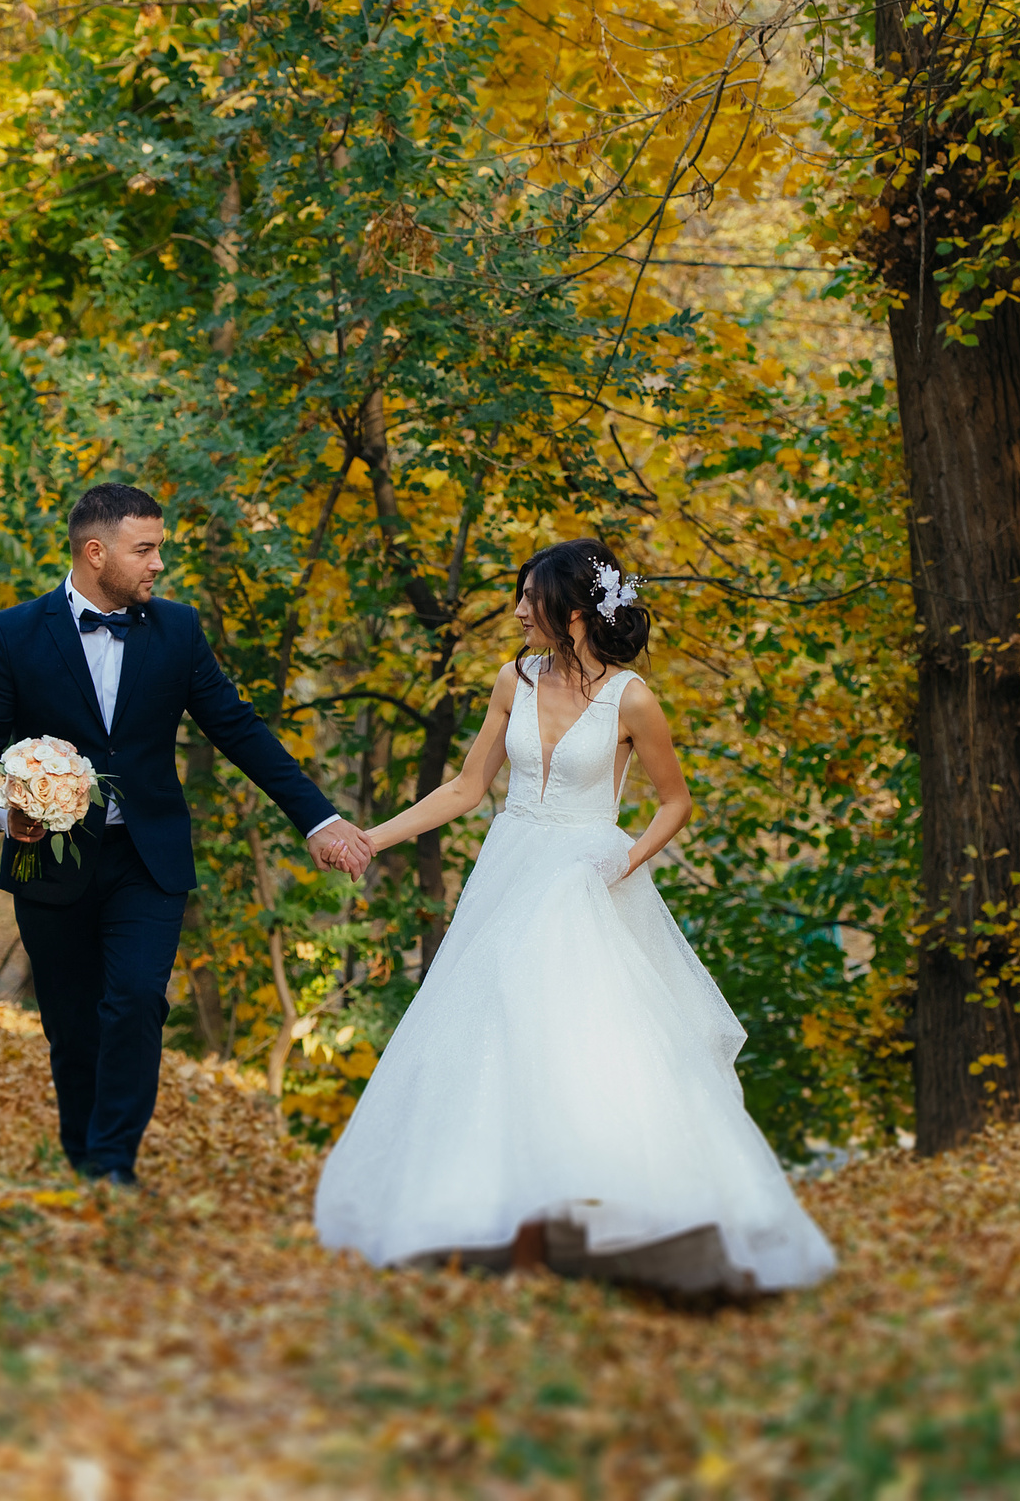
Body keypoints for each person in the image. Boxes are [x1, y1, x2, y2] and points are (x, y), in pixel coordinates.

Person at [314, 538, 836, 1294]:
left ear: (577, 613)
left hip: (590, 878)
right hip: (512, 868)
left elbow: (674, 801)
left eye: (531, 598)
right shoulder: (511, 679)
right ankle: (515, 1242)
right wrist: (369, 837)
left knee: (591, 1046)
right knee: (495, 1033)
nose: (519, 610)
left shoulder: (633, 698)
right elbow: (466, 788)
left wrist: (624, 860)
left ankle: (615, 1228)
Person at [0, 484, 370, 1186]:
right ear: (96, 552)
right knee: (73, 1024)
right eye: (145, 549)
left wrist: (318, 819)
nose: (157, 565)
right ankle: (84, 1154)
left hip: (147, 859)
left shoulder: (177, 631)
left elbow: (237, 728)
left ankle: (114, 1163)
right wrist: (6, 808)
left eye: (160, 549)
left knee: (138, 999)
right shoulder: (13, 634)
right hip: (49, 861)